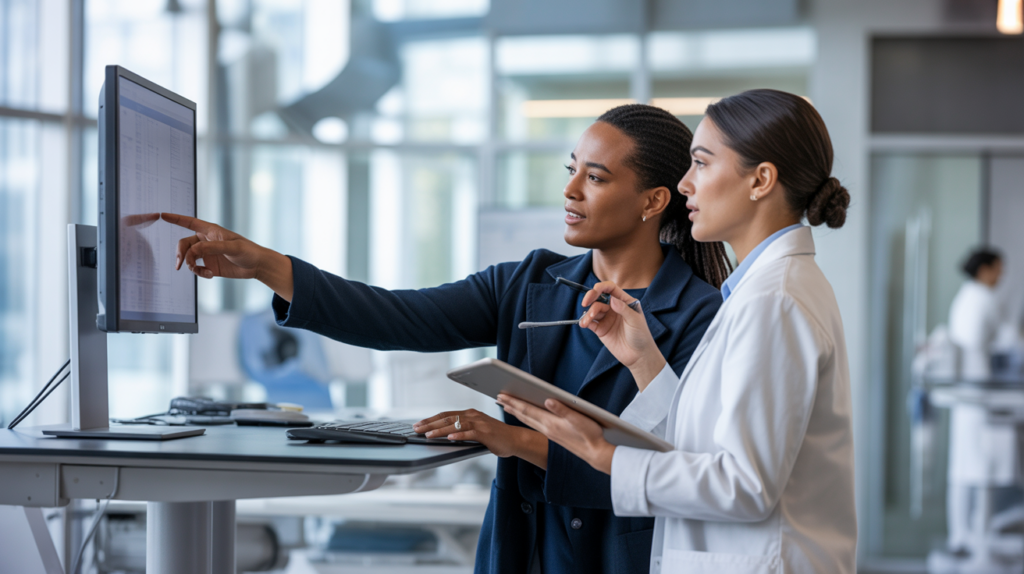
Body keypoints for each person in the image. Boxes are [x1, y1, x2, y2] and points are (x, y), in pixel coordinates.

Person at [162, 104, 732, 574]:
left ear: (654, 201)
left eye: (596, 177)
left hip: (621, 556)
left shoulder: (701, 316)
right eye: (572, 169)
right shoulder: (528, 281)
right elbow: (397, 317)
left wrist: (512, 440)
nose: (571, 191)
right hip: (518, 550)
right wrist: (266, 265)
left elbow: (672, 469)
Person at [498, 89, 857, 573]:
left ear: (761, 180)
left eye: (702, 165)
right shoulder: (759, 292)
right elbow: (708, 443)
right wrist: (645, 361)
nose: (684, 185)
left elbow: (744, 485)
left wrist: (599, 454)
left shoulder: (775, 300)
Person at [945, 248, 1017, 557]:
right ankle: (980, 538)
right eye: (998, 269)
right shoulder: (985, 299)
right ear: (984, 270)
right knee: (982, 470)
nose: (1001, 276)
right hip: (981, 394)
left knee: (963, 470)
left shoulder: (965, 296)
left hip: (968, 396)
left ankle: (961, 536)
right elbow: (1011, 342)